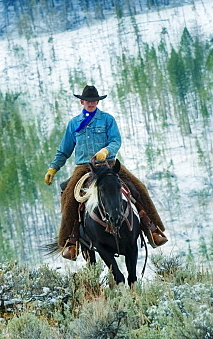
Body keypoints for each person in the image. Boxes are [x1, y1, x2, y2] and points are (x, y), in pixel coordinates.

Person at [44, 85, 168, 259]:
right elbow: (64, 150)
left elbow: (116, 140)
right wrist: (53, 168)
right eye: (88, 101)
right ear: (82, 101)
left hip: (108, 163)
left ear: (98, 102)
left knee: (138, 187)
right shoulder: (74, 123)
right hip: (84, 167)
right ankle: (70, 242)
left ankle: (153, 229)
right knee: (68, 196)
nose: (92, 103)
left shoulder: (107, 119)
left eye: (95, 101)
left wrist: (106, 151)